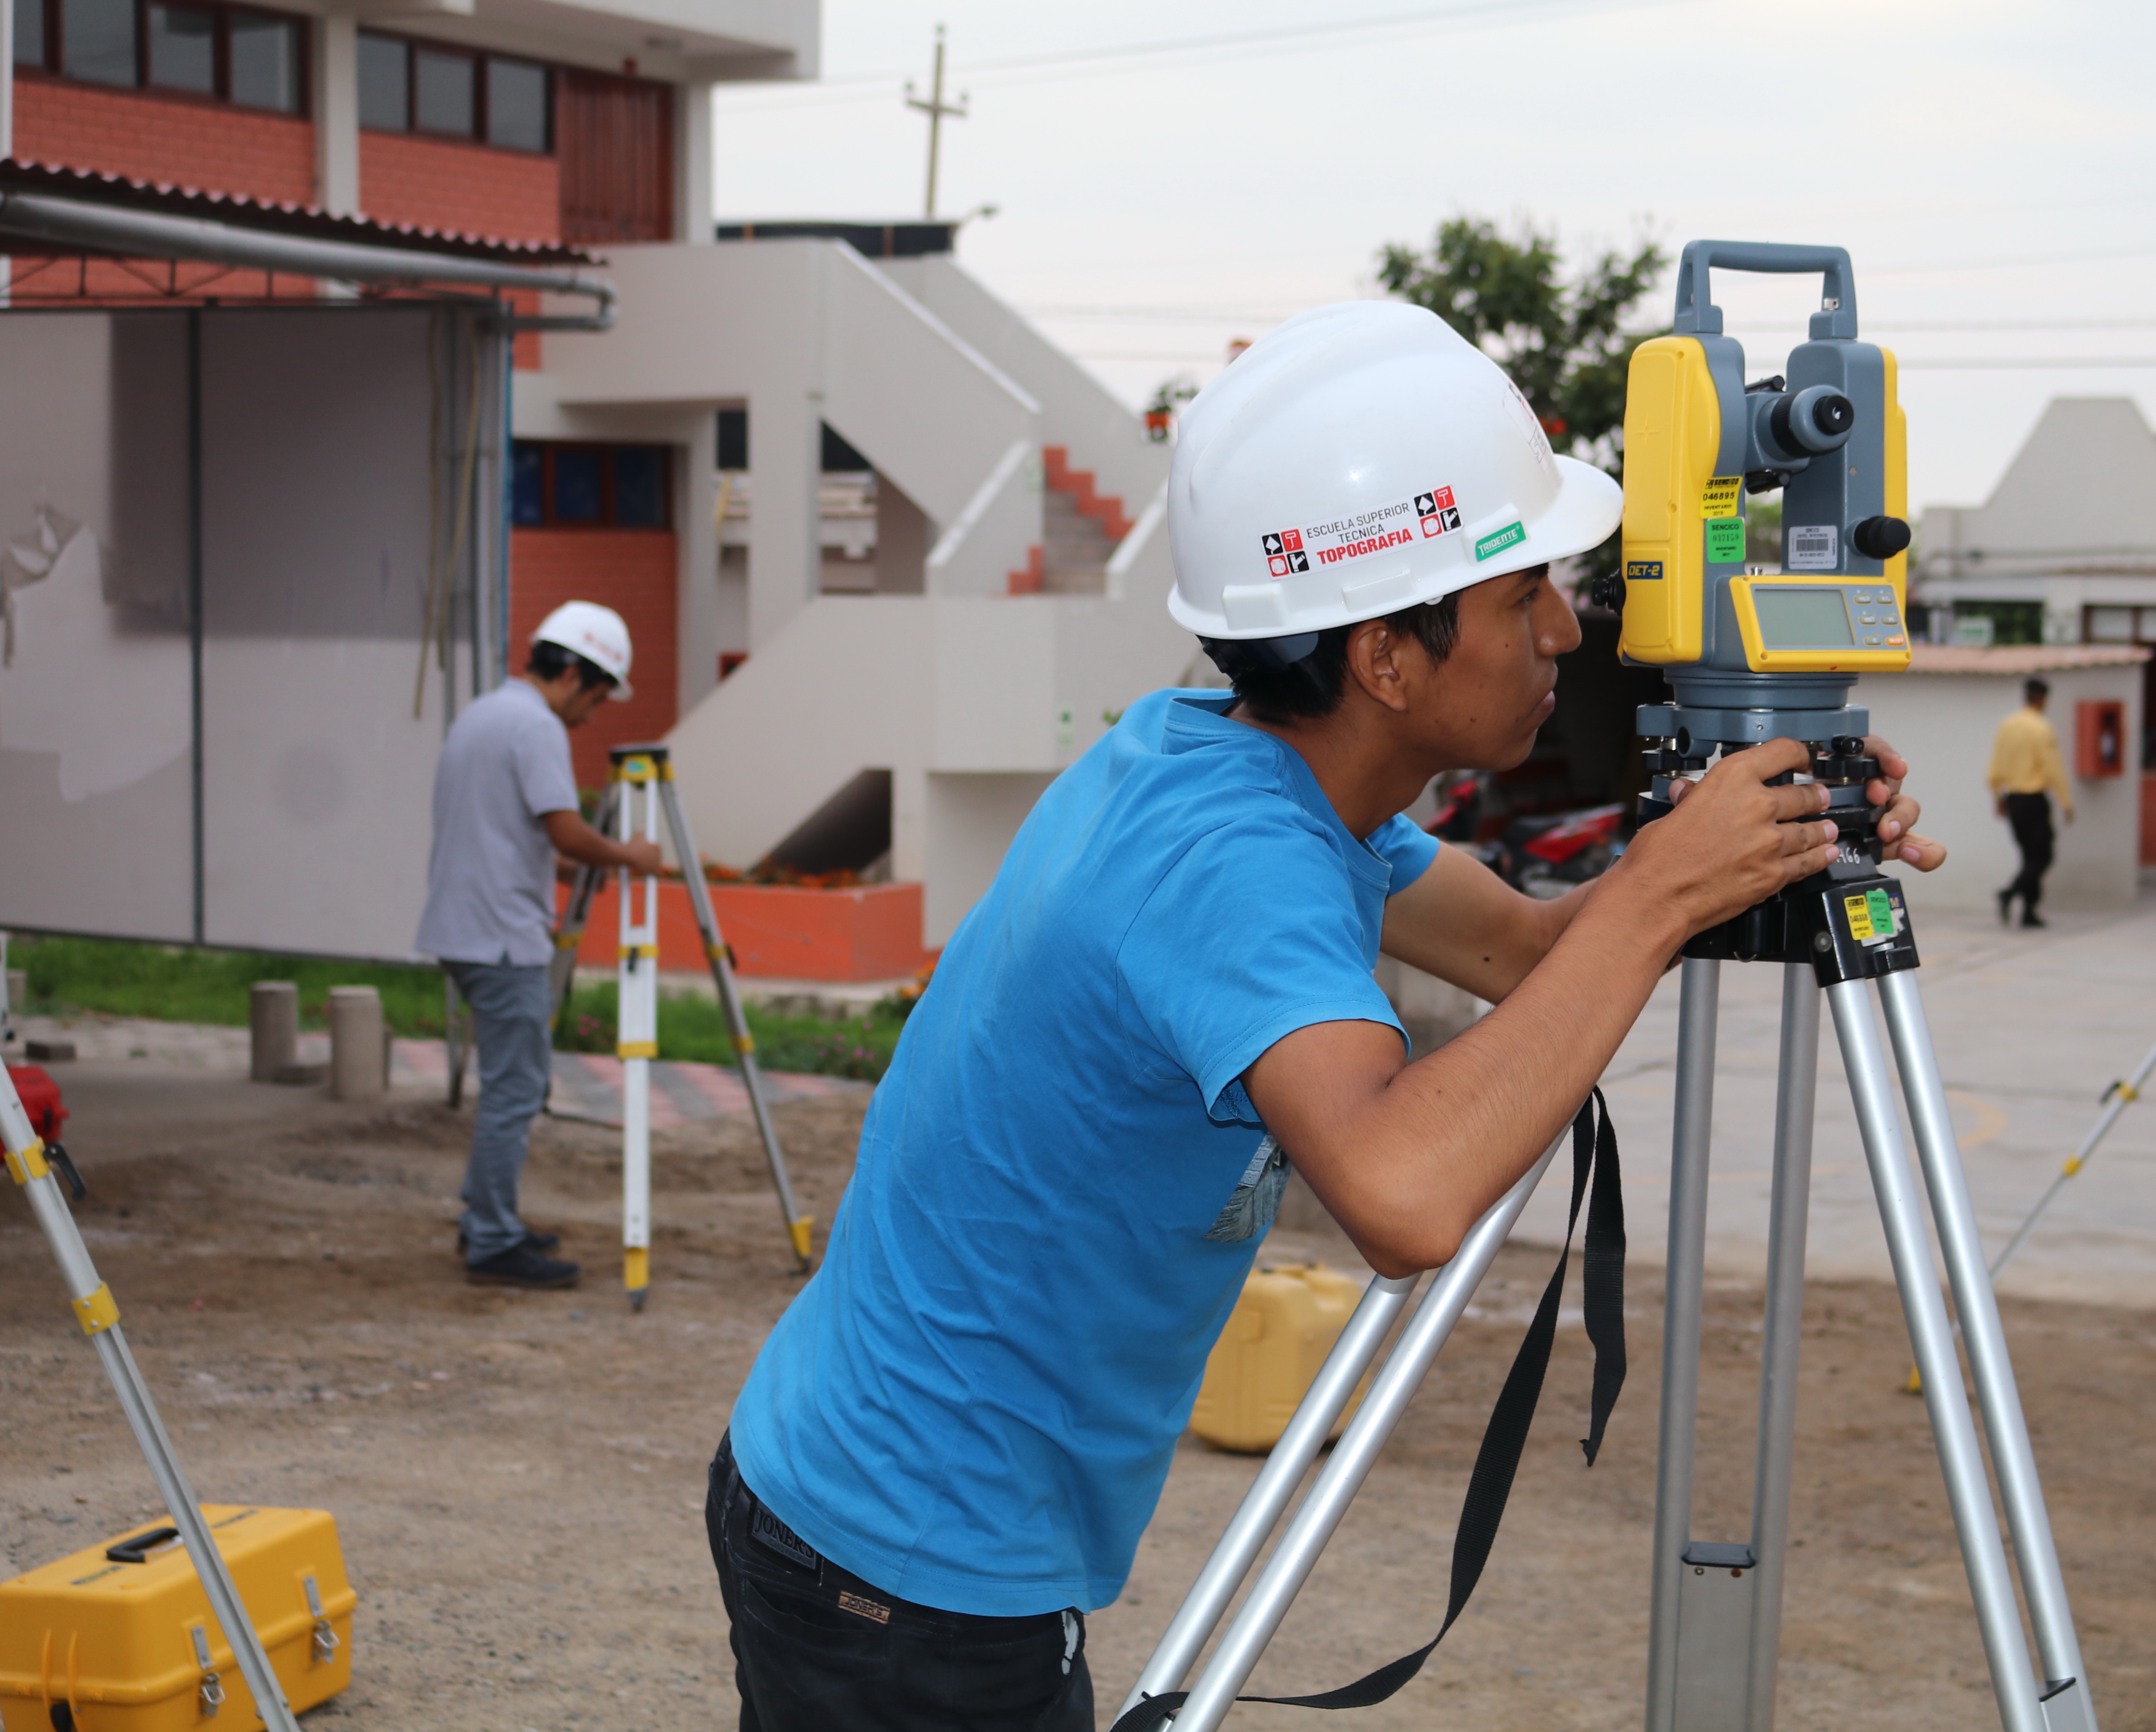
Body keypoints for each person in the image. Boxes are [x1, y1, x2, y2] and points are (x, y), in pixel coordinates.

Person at [704, 301, 1946, 1730]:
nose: (1566, 624)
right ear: (1385, 657)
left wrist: (1745, 849)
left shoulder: (1243, 775)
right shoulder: (1233, 863)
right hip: (900, 1575)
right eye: (1521, 591)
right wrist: (1658, 897)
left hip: (867, 1512)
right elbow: (1401, 1192)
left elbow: (1542, 953)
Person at [414, 601, 661, 1289]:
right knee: (516, 1090)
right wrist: (629, 856)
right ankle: (493, 1239)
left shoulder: (485, 714)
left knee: (509, 1085)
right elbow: (566, 831)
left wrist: (572, 866)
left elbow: (501, 833)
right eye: (602, 694)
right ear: (578, 674)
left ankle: (487, 1220)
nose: (596, 712)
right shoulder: (536, 727)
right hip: (500, 938)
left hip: (466, 927)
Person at [1988, 677, 2073, 927]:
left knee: (2029, 857)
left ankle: (2029, 913)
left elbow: (1995, 768)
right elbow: (2053, 769)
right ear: (2042, 698)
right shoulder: (2041, 728)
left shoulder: (2007, 726)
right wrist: (2066, 801)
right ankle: (2010, 893)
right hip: (2033, 800)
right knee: (2043, 857)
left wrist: (1997, 797)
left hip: (2013, 800)